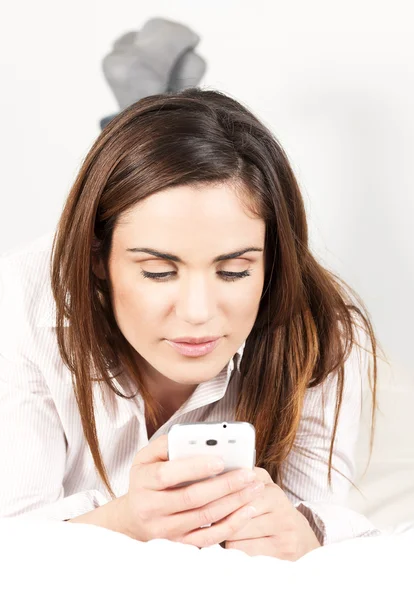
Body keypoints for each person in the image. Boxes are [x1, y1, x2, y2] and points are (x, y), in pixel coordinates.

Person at [0, 88, 381, 559]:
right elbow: (12, 545)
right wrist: (122, 523)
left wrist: (305, 537)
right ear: (97, 257)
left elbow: (315, 516)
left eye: (234, 271)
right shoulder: (22, 307)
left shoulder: (320, 335)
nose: (198, 312)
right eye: (159, 272)